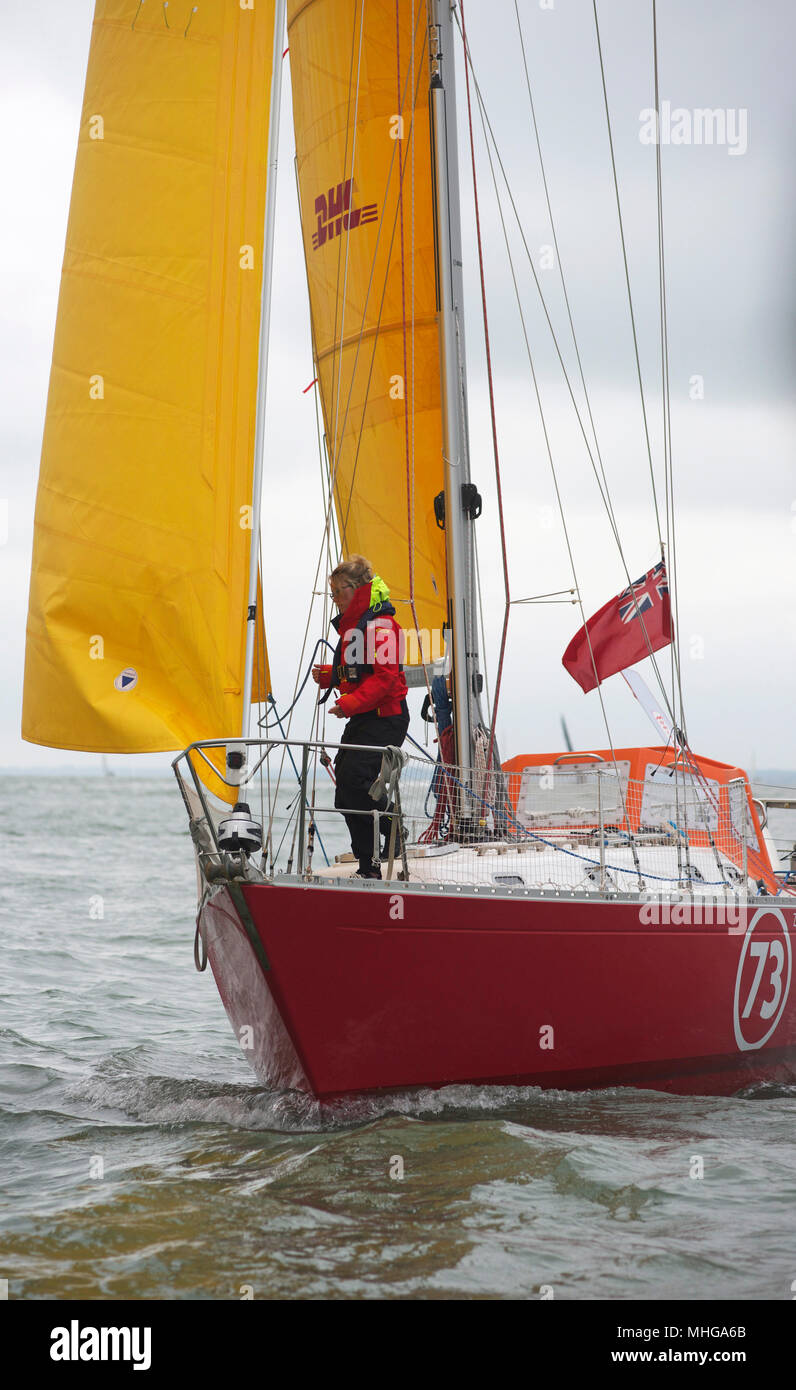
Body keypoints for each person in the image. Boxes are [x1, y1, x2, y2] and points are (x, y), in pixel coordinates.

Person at [312, 555, 409, 879]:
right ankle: (368, 867)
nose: (335, 600)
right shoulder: (357, 628)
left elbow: (386, 679)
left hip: (385, 719)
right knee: (345, 796)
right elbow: (358, 670)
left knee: (356, 784)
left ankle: (393, 824)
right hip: (365, 719)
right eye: (333, 593)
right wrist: (330, 676)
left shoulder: (382, 628)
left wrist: (350, 703)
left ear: (357, 591)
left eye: (339, 592)